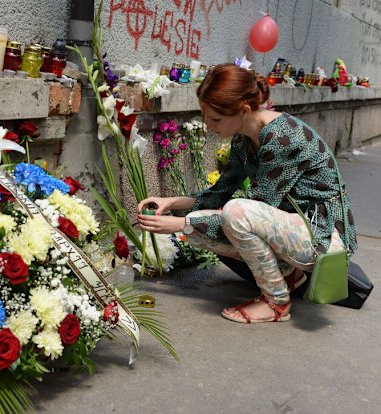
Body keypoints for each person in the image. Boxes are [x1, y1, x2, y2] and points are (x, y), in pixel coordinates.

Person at [137, 63, 357, 324]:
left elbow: (249, 211)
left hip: (325, 236)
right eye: (205, 117)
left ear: (243, 111)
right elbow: (219, 193)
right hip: (293, 227)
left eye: (216, 119)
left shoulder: (282, 138)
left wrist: (178, 224)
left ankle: (276, 303)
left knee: (228, 215)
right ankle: (288, 276)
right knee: (202, 224)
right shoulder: (244, 139)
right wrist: (170, 202)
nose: (208, 126)